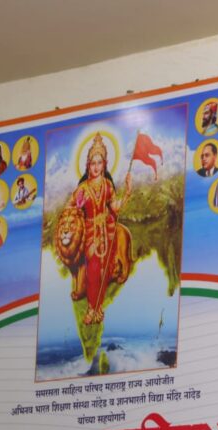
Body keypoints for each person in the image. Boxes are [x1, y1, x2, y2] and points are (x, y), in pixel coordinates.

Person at [71, 133, 133, 325]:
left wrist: (127, 192)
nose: (96, 167)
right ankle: (91, 308)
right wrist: (77, 210)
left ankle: (98, 308)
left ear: (104, 164)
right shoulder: (82, 188)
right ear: (88, 165)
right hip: (90, 233)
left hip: (107, 231)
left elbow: (114, 206)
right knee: (93, 271)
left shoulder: (107, 185)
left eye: (99, 163)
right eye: (93, 163)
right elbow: (71, 208)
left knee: (105, 270)